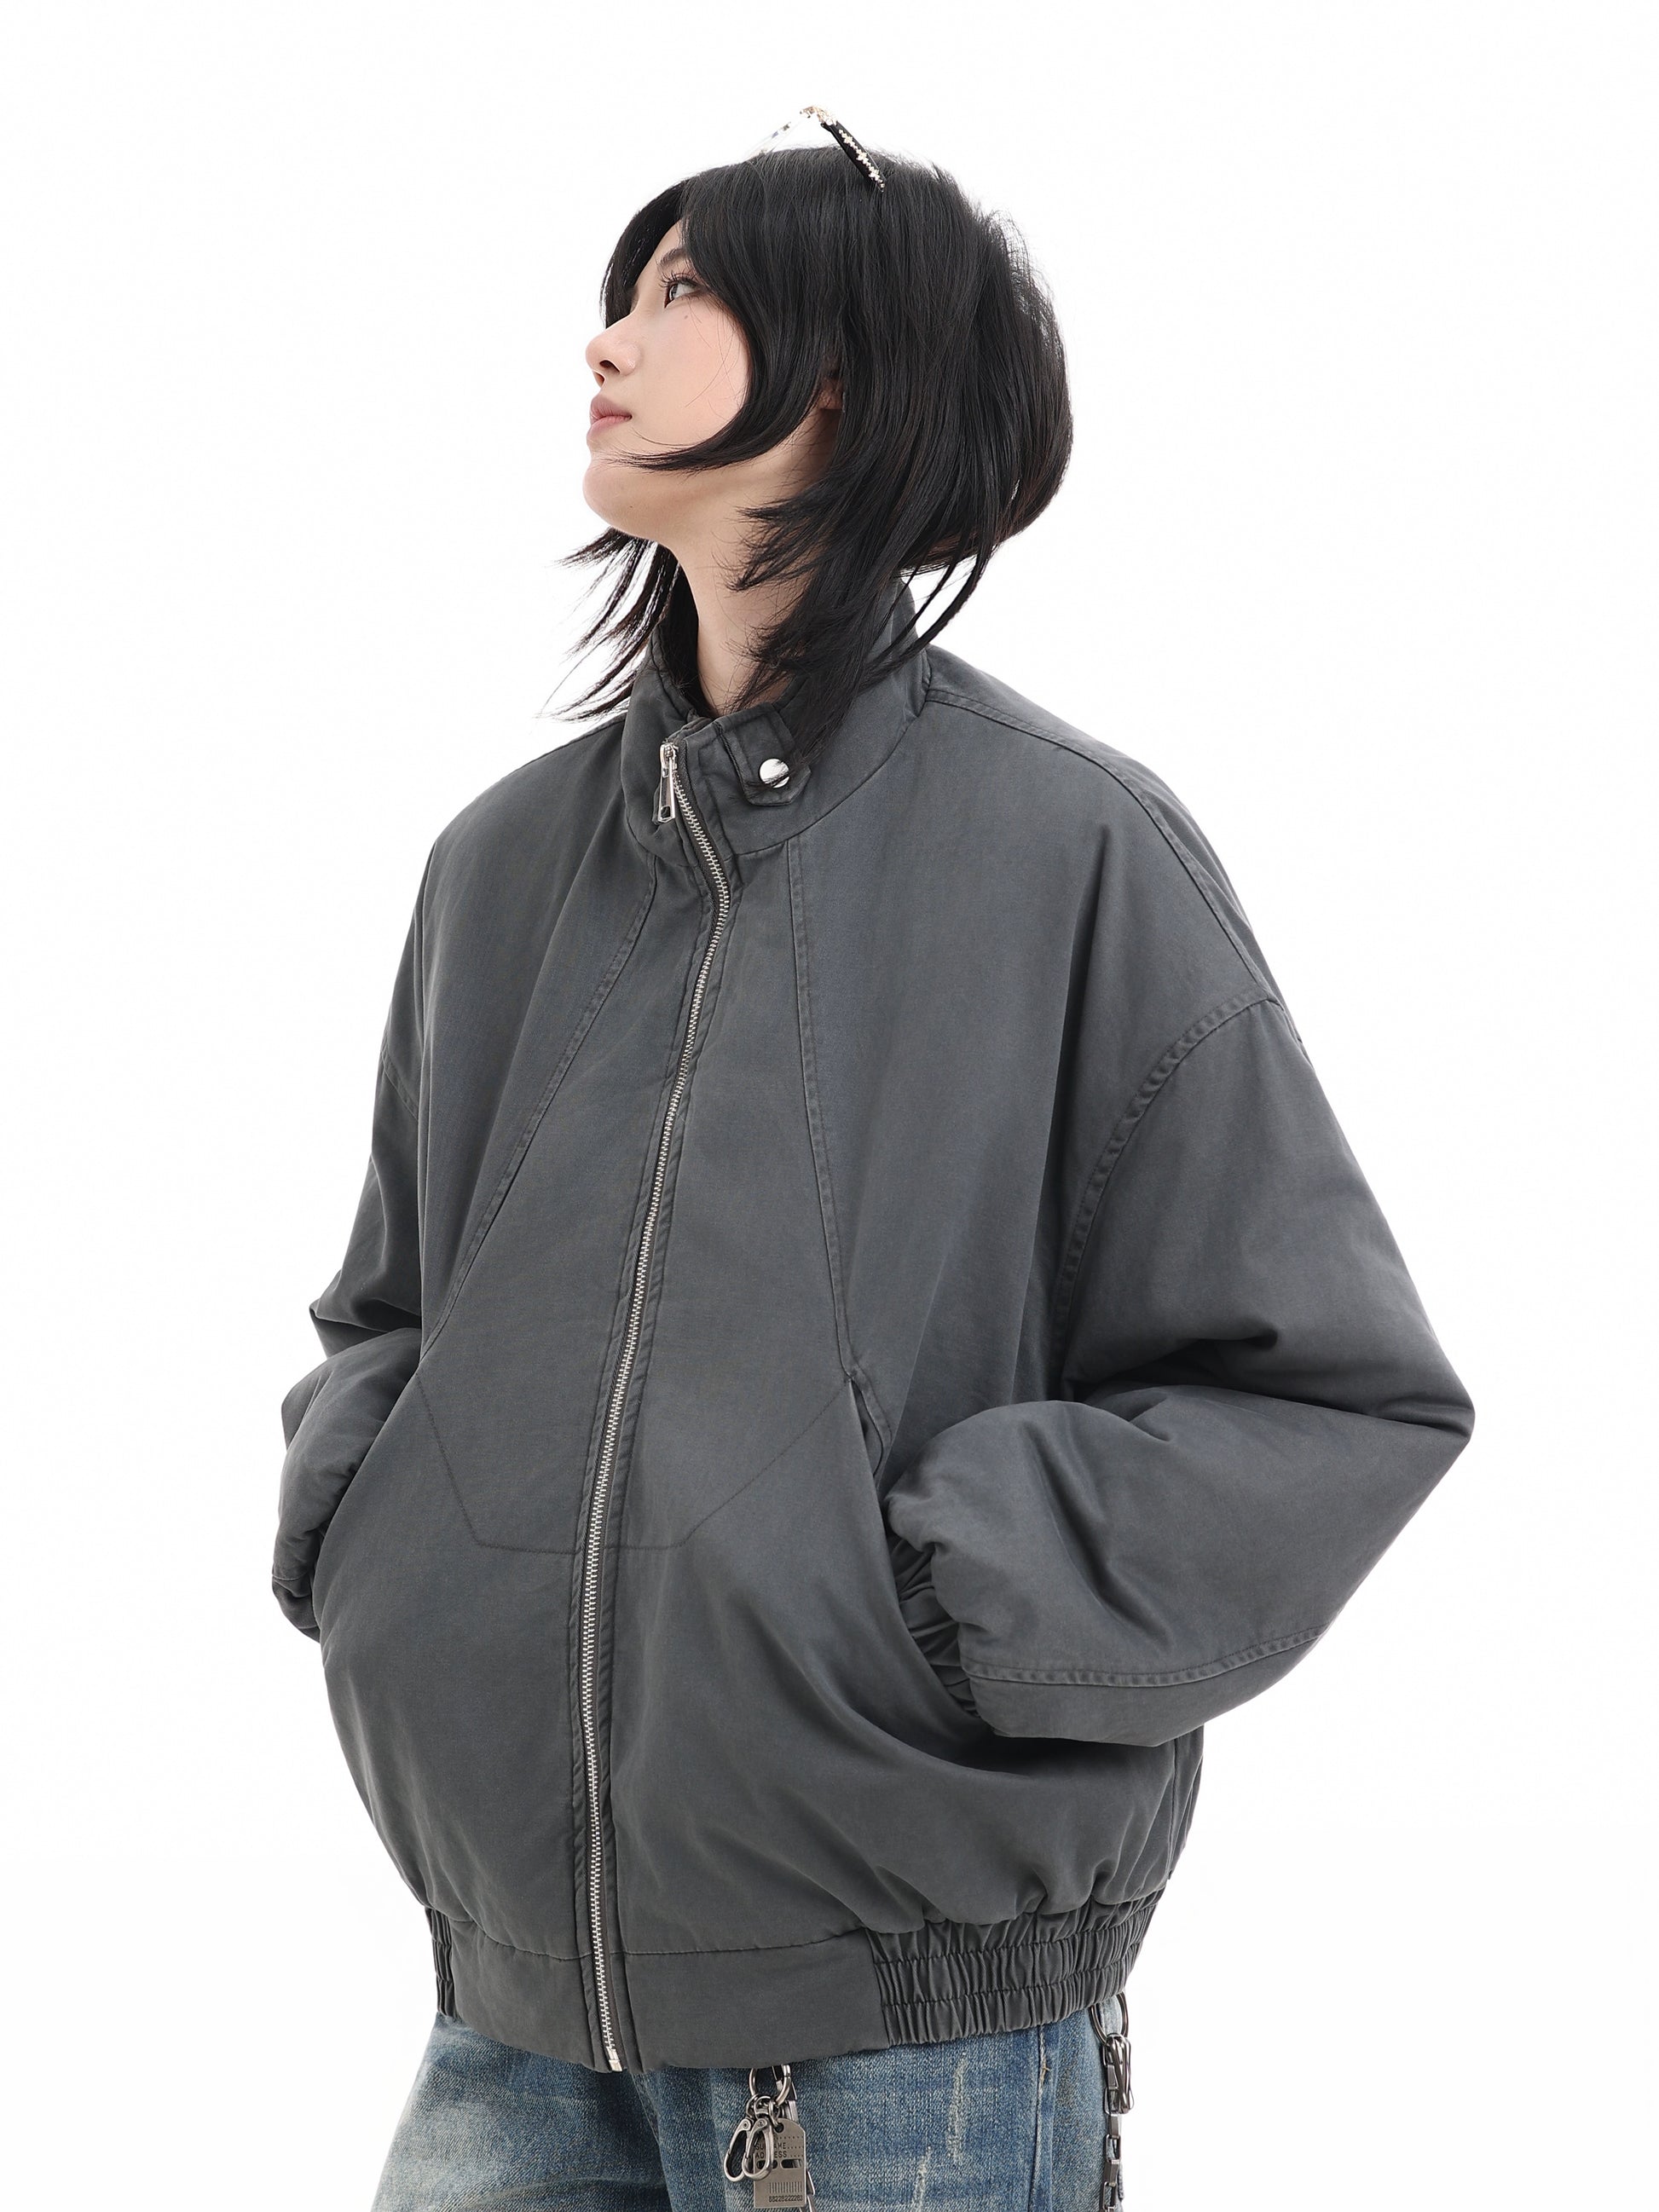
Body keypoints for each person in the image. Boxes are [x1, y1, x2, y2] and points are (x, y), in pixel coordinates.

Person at [274, 109, 1474, 2212]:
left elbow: (1327, 1392)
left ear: (836, 380)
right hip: (513, 2011)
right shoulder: (501, 868)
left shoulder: (1068, 848)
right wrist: (372, 1541)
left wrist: (924, 1595)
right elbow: (392, 1309)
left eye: (679, 294)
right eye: (618, 295)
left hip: (910, 2045)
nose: (607, 342)